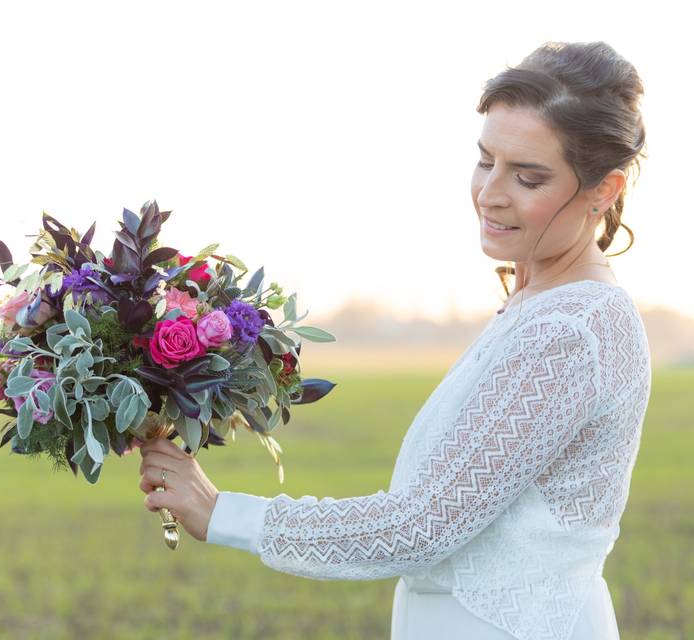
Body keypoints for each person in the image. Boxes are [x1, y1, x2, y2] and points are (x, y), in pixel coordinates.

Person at [136, 40, 652, 640]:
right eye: (486, 161)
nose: (491, 192)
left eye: (529, 177)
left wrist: (224, 513)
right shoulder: (538, 307)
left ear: (604, 190)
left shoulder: (573, 330)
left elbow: (421, 526)